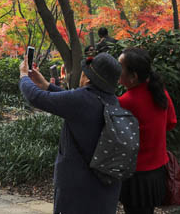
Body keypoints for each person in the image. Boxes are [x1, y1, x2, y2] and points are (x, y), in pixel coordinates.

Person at [19, 52, 124, 214]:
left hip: (77, 189)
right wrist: (46, 84)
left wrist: (24, 76)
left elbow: (36, 97)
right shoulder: (112, 100)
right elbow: (67, 99)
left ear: (88, 78)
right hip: (105, 187)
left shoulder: (82, 99)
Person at [117, 48, 177, 214]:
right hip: (157, 171)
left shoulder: (125, 102)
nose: (116, 69)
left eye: (120, 66)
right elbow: (171, 122)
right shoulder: (160, 92)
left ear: (133, 76)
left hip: (136, 176)